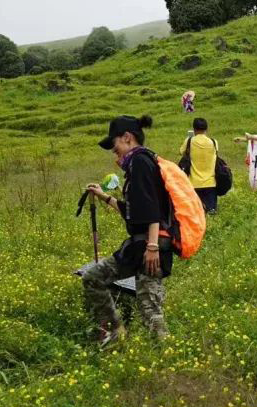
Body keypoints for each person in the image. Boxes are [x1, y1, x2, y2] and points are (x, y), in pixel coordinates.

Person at [80, 115, 172, 347]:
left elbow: (154, 209)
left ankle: (167, 358)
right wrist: (105, 197)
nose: (115, 153)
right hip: (139, 246)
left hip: (151, 247)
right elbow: (134, 210)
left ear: (127, 138)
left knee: (149, 308)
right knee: (93, 278)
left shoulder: (140, 162)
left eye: (115, 147)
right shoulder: (137, 164)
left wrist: (152, 247)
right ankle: (115, 331)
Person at [180, 117, 218, 213]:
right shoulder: (213, 142)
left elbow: (182, 152)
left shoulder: (189, 141)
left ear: (194, 129)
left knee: (196, 213)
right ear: (207, 129)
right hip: (210, 183)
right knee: (211, 212)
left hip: (193, 183)